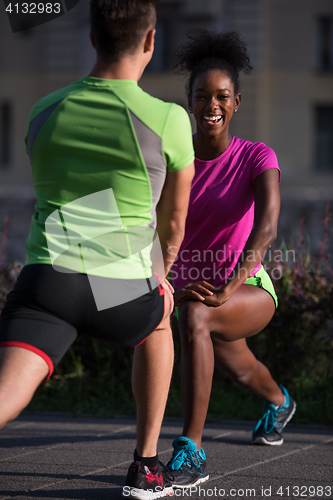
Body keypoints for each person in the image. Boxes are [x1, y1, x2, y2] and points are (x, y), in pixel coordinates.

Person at [0, 1, 195, 498]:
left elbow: (58, 189)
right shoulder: (170, 119)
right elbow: (173, 222)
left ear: (91, 39)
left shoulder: (44, 110)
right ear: (151, 40)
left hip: (48, 281)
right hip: (124, 289)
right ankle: (146, 466)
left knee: (7, 396)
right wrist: (161, 275)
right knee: (160, 316)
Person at [166, 30, 296, 489]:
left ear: (237, 102)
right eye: (202, 96)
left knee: (198, 315)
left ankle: (191, 451)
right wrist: (163, 282)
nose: (212, 105)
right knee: (240, 368)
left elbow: (266, 230)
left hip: (248, 287)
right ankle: (280, 402)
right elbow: (157, 229)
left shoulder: (257, 157)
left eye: (222, 96)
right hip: (194, 287)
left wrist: (226, 288)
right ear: (190, 101)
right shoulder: (175, 163)